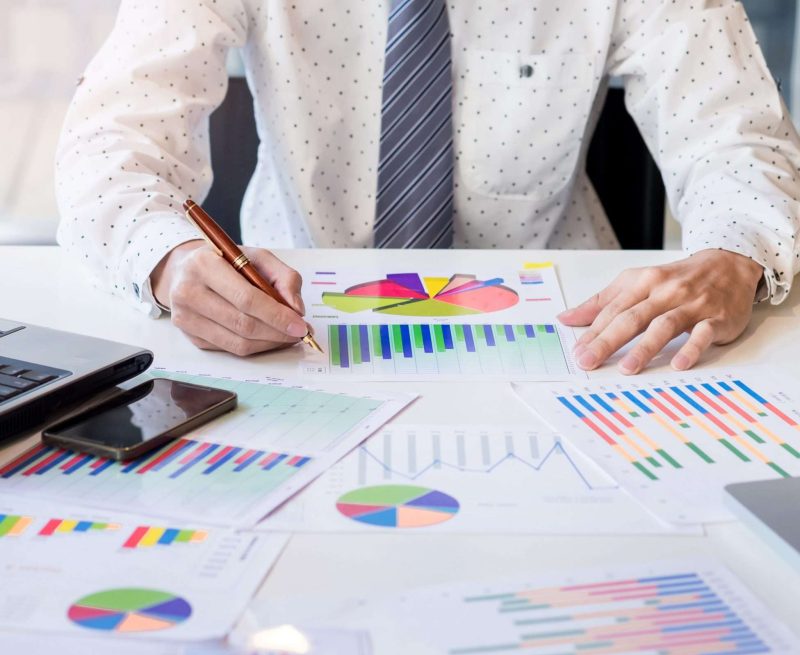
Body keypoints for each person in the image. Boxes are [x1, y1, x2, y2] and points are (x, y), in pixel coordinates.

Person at [55, 0, 800, 373]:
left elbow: (737, 136)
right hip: (294, 330)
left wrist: (737, 251)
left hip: (576, 339)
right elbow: (112, 135)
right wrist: (167, 258)